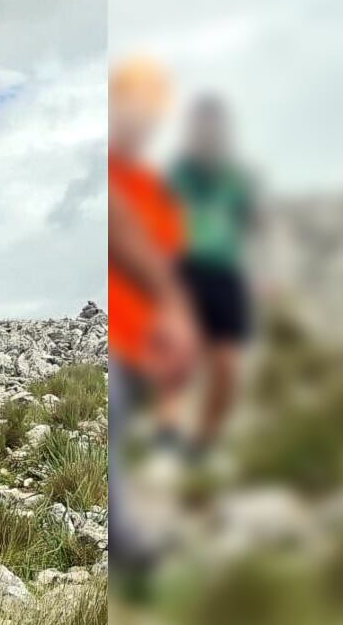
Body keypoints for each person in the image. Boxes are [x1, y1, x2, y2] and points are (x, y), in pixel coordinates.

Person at [108, 56, 200, 577]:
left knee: (160, 442)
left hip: (156, 340)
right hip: (127, 338)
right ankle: (135, 550)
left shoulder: (155, 185)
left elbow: (176, 256)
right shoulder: (116, 174)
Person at [168, 94, 257, 454]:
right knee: (181, 357)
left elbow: (249, 227)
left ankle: (205, 437)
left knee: (225, 363)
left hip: (225, 275)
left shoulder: (236, 179)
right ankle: (173, 422)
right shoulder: (180, 175)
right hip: (186, 272)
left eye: (213, 127)